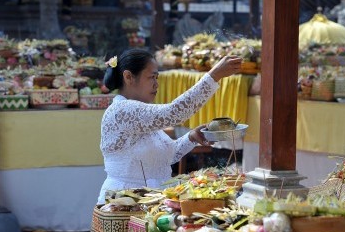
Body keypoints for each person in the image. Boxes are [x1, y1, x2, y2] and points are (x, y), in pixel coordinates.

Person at [97, 48, 242, 204]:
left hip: (149, 201)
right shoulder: (121, 110)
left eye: (157, 77)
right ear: (128, 77)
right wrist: (214, 76)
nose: (156, 84)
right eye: (152, 77)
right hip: (124, 203)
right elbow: (173, 113)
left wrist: (191, 138)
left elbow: (167, 157)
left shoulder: (139, 113)